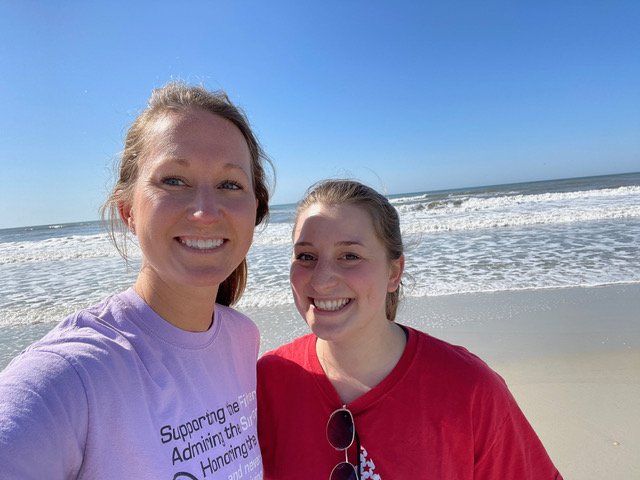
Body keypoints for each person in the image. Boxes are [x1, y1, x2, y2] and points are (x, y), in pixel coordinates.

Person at [0, 81, 273, 479]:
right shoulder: (71, 376)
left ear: (254, 209)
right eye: (174, 180)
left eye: (230, 184)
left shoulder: (242, 338)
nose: (206, 210)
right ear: (128, 210)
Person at [257, 179, 562, 479]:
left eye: (349, 256)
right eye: (306, 256)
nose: (321, 279)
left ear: (394, 272)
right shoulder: (263, 384)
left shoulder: (468, 388)